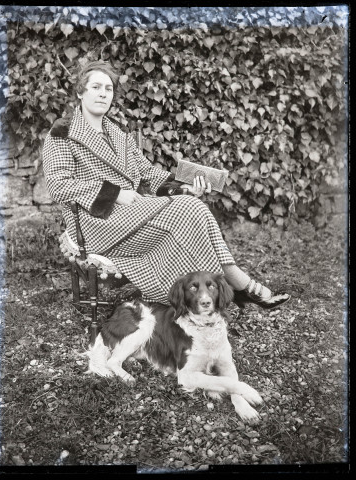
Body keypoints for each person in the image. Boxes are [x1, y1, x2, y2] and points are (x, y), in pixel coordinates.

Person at [42, 60, 290, 309]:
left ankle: (218, 288)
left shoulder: (118, 133)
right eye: (96, 87)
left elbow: (147, 172)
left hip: (131, 213)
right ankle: (236, 285)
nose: (103, 94)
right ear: (80, 92)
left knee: (191, 205)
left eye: (108, 89)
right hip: (95, 222)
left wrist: (184, 188)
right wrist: (116, 194)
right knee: (188, 208)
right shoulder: (64, 133)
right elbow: (58, 185)